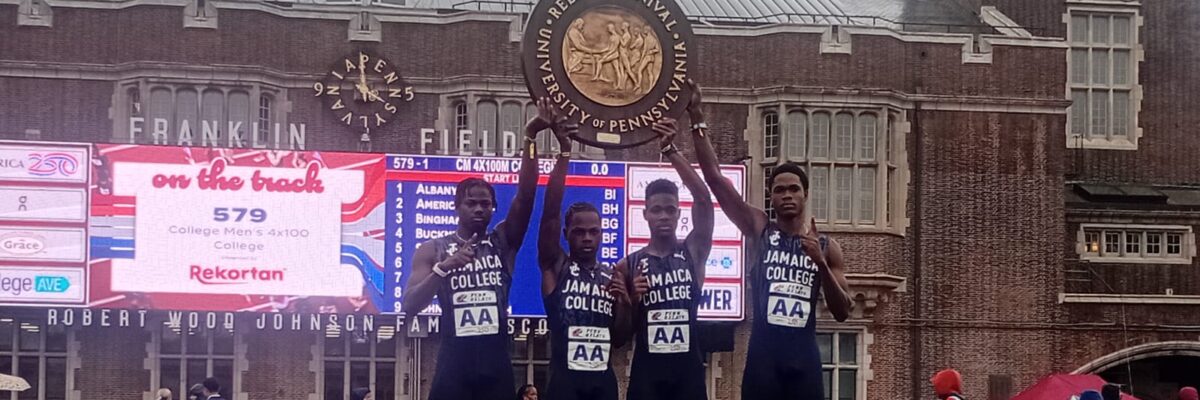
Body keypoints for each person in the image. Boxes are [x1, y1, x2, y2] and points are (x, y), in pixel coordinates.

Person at [688, 78, 852, 400]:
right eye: (779, 190)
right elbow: (715, 180)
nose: (787, 195)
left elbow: (843, 311)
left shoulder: (826, 247)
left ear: (805, 195)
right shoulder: (759, 228)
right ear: (771, 197)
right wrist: (697, 117)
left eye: (794, 189)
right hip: (764, 359)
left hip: (804, 361)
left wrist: (821, 265)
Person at [401, 97, 561, 400]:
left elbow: (526, 196)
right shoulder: (433, 250)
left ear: (493, 208)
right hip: (453, 366)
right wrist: (443, 268)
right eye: (471, 203)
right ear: (456, 207)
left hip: (495, 366)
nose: (478, 209)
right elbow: (409, 305)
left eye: (485, 204)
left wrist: (530, 138)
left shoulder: (502, 242)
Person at [538, 112, 633, 400]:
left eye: (594, 231)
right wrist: (565, 154)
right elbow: (550, 213)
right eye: (579, 232)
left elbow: (619, 339)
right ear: (566, 234)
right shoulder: (557, 266)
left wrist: (625, 303)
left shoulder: (612, 276)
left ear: (602, 234)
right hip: (564, 384)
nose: (587, 237)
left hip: (603, 384)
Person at [623, 117, 713, 400]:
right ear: (645, 214)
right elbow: (621, 335)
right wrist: (632, 301)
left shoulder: (693, 251)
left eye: (670, 210)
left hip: (688, 374)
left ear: (678, 214)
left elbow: (703, 198)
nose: (663, 216)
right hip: (646, 376)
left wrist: (671, 150)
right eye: (656, 210)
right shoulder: (628, 265)